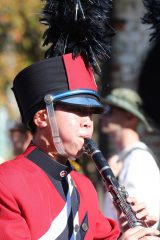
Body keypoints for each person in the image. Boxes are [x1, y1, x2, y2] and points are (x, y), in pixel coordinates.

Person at [0, 1, 159, 239]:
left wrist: (132, 230)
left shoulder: (83, 187)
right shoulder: (7, 182)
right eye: (77, 111)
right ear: (42, 117)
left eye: (90, 114)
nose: (87, 122)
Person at [101, 87, 160, 230]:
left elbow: (144, 221)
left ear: (130, 117)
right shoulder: (123, 158)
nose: (103, 115)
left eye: (110, 109)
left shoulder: (139, 159)